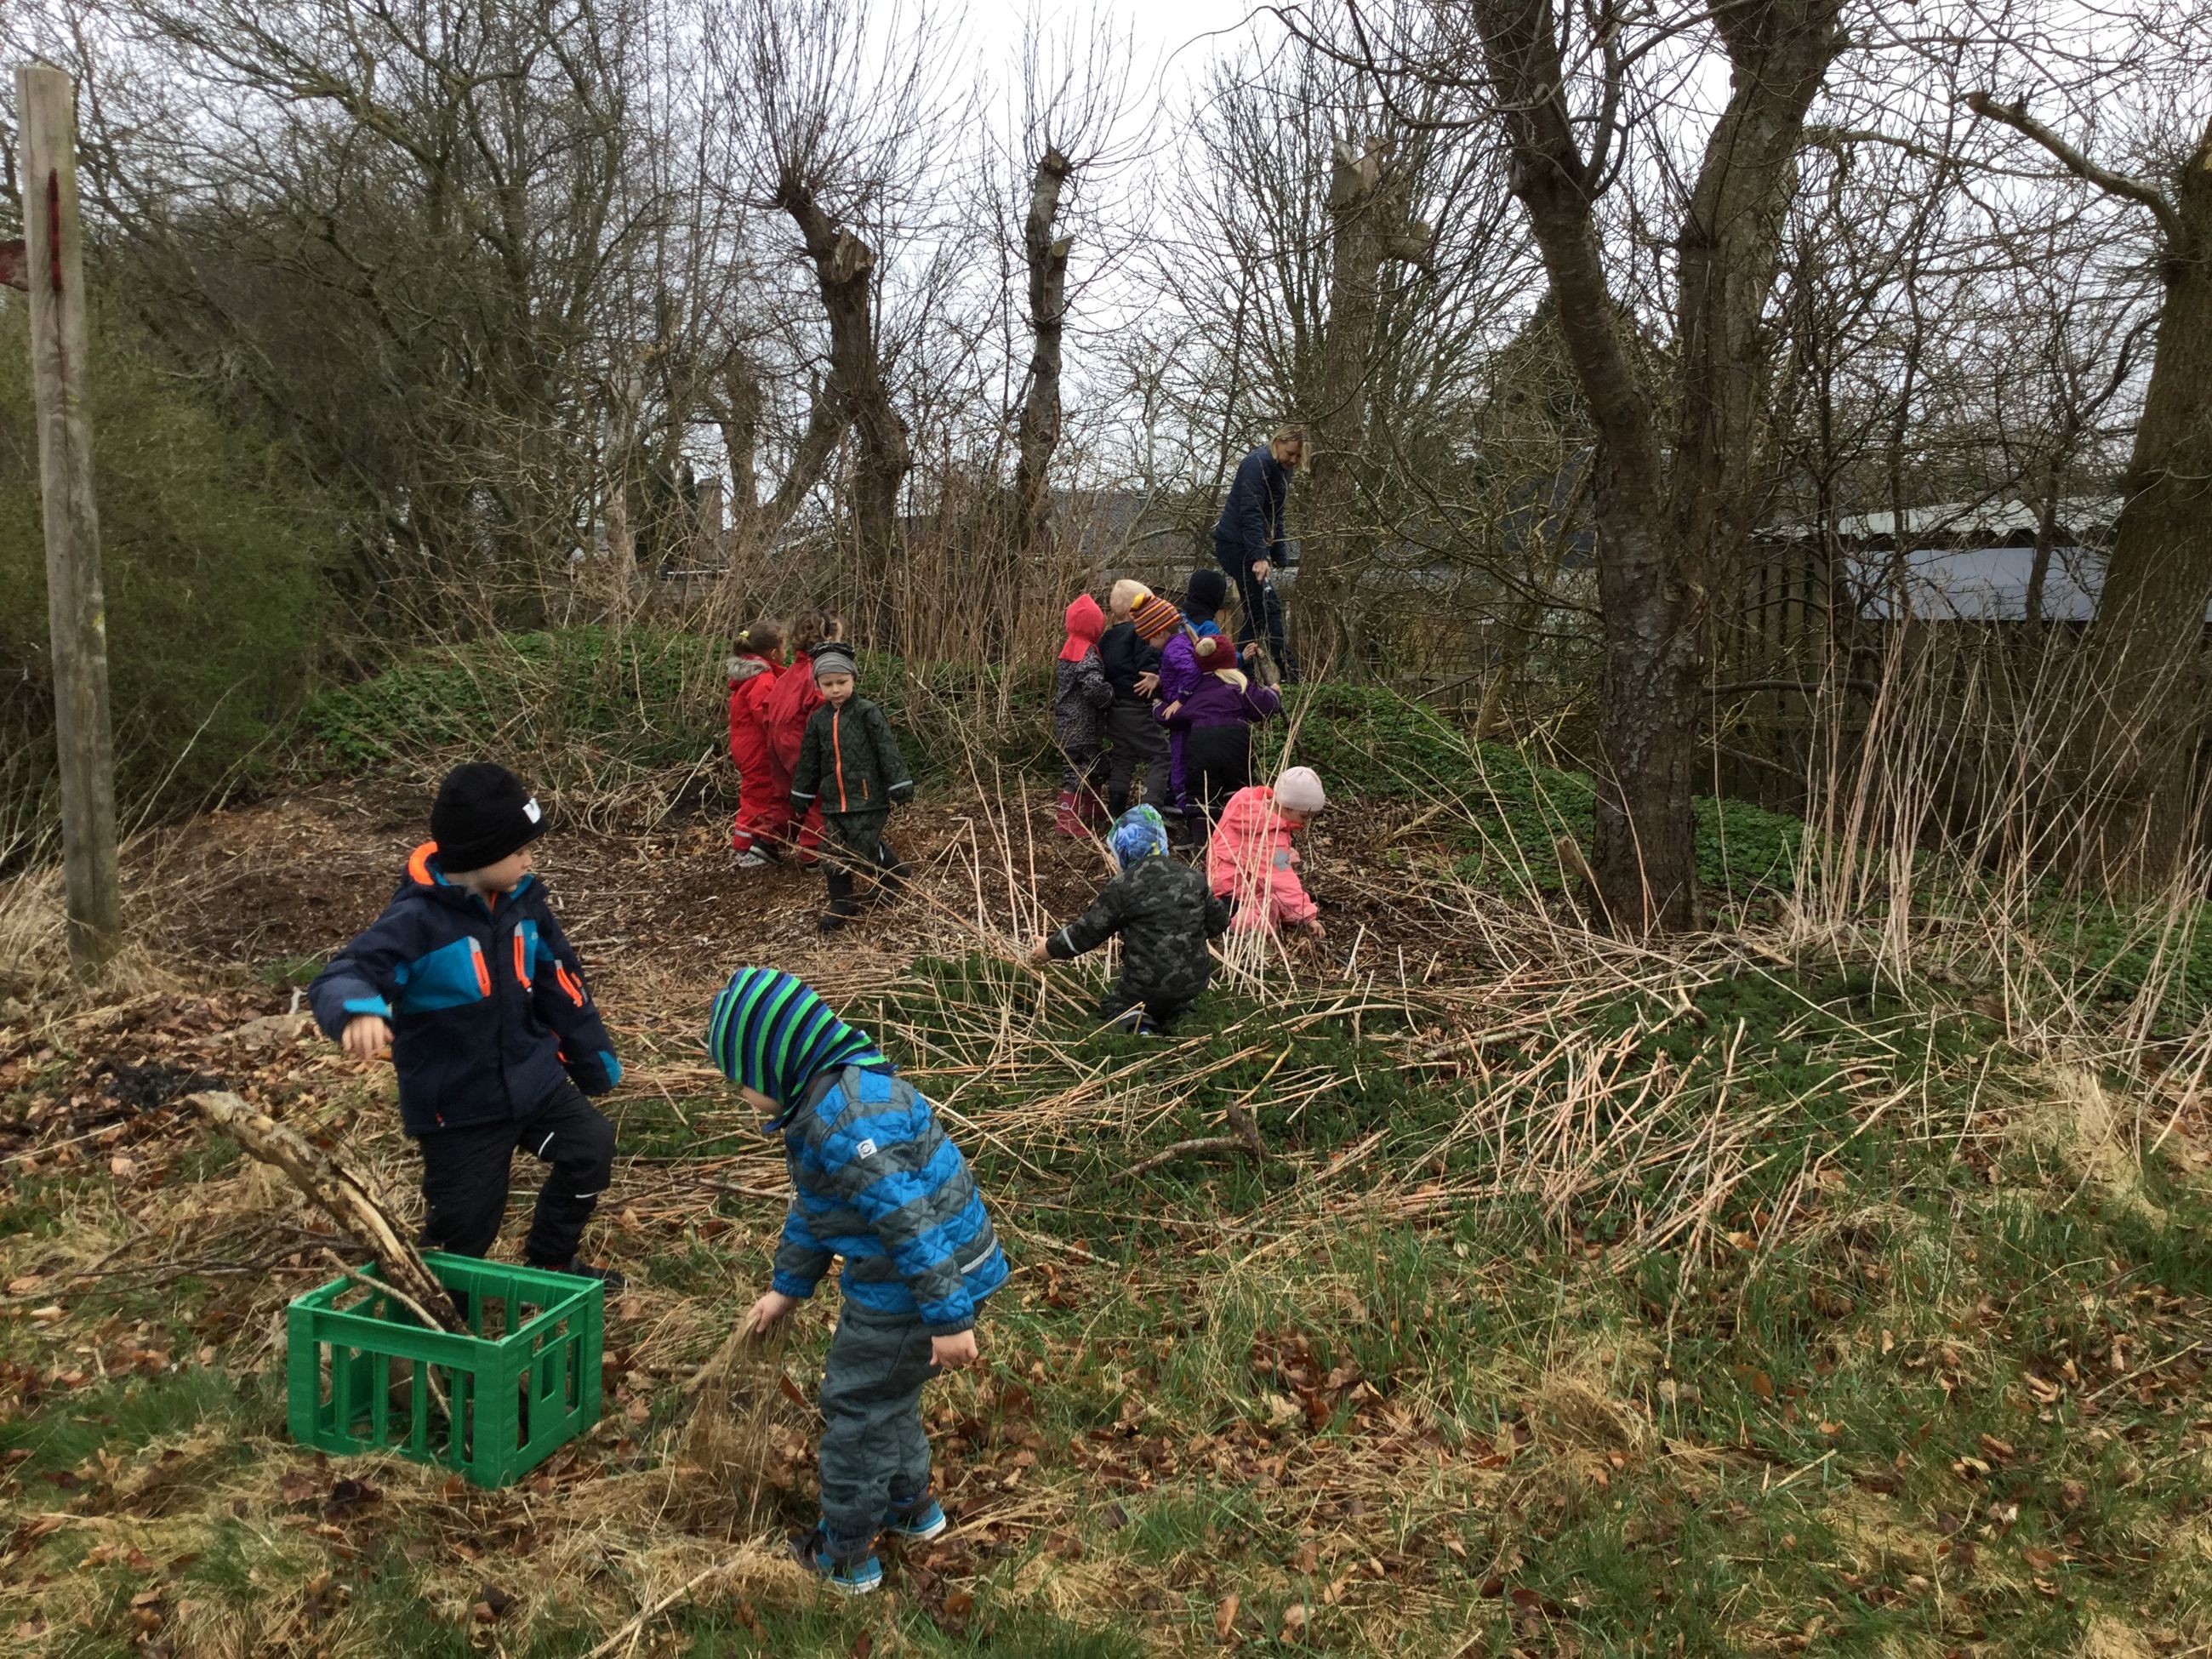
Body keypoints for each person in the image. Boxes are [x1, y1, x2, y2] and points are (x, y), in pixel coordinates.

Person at [709, 967, 1007, 1596]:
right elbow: (818, 1208)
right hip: (924, 1278)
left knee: (854, 1402)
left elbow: (909, 1224)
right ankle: (910, 1506)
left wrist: (950, 1320)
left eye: (741, 1081)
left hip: (913, 1288)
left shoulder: (846, 1126)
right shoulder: (830, 1102)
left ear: (778, 1061)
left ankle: (845, 1551)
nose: (739, 1094)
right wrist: (787, 1287)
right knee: (886, 1394)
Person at [307, 762, 623, 1287]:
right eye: (520, 850)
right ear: (480, 855)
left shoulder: (526, 906)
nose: (530, 859)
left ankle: (550, 1263)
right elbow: (347, 972)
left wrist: (592, 1059)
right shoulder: (417, 921)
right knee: (465, 1229)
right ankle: (440, 1315)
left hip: (534, 1079)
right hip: (457, 1106)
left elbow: (560, 982)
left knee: (591, 1149)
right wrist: (358, 1007)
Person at [1029, 806, 1232, 1035]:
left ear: (1123, 851)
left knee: (1115, 1005)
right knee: (1176, 1002)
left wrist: (1050, 948)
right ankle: (1183, 1020)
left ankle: (1140, 1029)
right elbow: (1219, 922)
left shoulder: (1123, 886)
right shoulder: (1193, 878)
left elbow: (1088, 932)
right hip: (1192, 983)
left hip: (1145, 984)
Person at [790, 645, 915, 932]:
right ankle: (841, 902)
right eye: (828, 684)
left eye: (841, 682)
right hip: (834, 800)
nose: (835, 690)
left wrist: (900, 785)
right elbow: (809, 760)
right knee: (832, 849)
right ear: (818, 685)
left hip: (868, 796)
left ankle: (893, 877)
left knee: (864, 845)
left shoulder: (867, 712)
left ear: (853, 680)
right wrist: (801, 794)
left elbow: (888, 751)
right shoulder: (818, 720)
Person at [1212, 425, 1304, 678]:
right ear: (1278, 442)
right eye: (1291, 453)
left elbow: (1276, 514)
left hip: (1253, 546)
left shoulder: (1284, 471)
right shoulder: (1256, 464)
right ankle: (1286, 670)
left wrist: (1280, 554)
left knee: (1260, 609)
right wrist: (1260, 557)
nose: (1294, 460)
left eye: (1298, 456)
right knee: (1266, 606)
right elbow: (1250, 513)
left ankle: (1241, 671)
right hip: (1235, 545)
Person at [1164, 653, 1282, 835]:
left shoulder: (1194, 688)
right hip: (1235, 741)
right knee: (1238, 791)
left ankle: (1200, 842)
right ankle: (1240, 838)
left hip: (1201, 742)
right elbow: (1263, 706)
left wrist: (1157, 705)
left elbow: (1173, 716)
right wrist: (1274, 693)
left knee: (1201, 795)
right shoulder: (1239, 684)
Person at [1153, 569, 1234, 832]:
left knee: (1174, 747)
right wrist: (1242, 659)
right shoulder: (1208, 627)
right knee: (1189, 749)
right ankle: (1185, 799)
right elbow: (1217, 658)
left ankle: (1168, 795)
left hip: (1170, 688)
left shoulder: (1178, 617)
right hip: (1194, 694)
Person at [1208, 765, 1328, 938]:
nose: (1306, 823)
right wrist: (1308, 916)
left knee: (1280, 892)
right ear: (1286, 807)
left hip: (1223, 876)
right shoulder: (1268, 839)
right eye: (1303, 816)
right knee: (1267, 917)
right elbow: (1282, 878)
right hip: (1232, 892)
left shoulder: (1247, 804)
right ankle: (1230, 922)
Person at [766, 612, 844, 868]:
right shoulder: (819, 673)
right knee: (822, 793)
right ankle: (813, 852)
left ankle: (765, 840)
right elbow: (822, 713)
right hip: (801, 743)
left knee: (789, 795)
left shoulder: (791, 673)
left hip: (779, 742)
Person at [1098, 579, 1167, 818]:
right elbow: (1148, 666)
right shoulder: (1141, 633)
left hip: (1114, 709)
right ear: (1134, 612)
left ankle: (1115, 811)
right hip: (1136, 707)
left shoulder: (1106, 638)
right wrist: (1159, 684)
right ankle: (1151, 809)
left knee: (1122, 756)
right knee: (1161, 754)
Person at [1052, 594, 1114, 835]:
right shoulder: (1085, 651)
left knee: (1095, 765)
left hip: (1070, 722)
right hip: (1082, 724)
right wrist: (1109, 695)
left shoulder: (1069, 648)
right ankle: (1066, 820)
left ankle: (1093, 810)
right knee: (1079, 770)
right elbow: (1092, 685)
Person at [727, 622, 788, 867]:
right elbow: (768, 717)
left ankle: (751, 846)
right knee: (760, 796)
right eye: (784, 648)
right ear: (774, 653)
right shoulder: (763, 681)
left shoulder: (749, 676)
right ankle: (749, 848)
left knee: (754, 793)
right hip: (758, 751)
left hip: (746, 748)